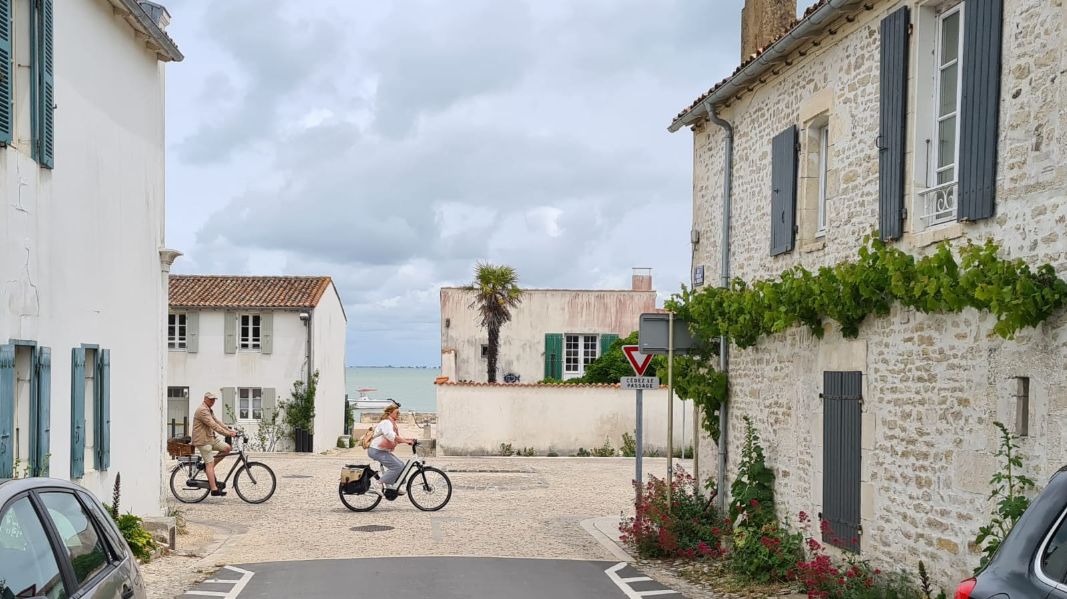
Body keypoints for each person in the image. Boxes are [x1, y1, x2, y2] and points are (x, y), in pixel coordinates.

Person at [192, 391, 239, 497]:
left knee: (227, 448)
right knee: (209, 463)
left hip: (210, 438)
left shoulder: (209, 410)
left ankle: (209, 469)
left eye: (214, 400)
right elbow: (214, 426)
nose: (212, 401)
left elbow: (217, 422)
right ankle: (214, 489)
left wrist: (230, 430)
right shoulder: (202, 410)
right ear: (205, 399)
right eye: (210, 399)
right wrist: (229, 434)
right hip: (202, 441)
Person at [367, 404, 414, 492]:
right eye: (397, 413)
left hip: (382, 451)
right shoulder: (386, 422)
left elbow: (397, 439)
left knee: (401, 465)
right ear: (390, 413)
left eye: (399, 413)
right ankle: (378, 483)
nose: (398, 414)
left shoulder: (392, 423)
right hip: (376, 450)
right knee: (397, 467)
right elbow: (390, 435)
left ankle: (393, 486)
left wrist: (409, 440)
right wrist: (406, 441)